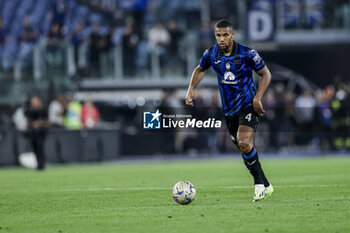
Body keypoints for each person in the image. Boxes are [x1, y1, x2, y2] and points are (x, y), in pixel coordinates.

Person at [185, 19, 273, 201]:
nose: (222, 38)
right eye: (218, 35)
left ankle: (258, 186)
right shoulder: (211, 53)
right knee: (244, 149)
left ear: (232, 35)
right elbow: (200, 69)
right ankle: (266, 184)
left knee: (245, 142)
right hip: (229, 111)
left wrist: (257, 98)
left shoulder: (247, 53)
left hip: (248, 104)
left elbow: (266, 74)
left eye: (225, 34)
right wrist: (191, 89)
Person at [25, 96, 49, 170]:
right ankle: (38, 163)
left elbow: (47, 121)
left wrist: (39, 123)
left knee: (40, 147)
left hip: (41, 132)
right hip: (33, 132)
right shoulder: (30, 111)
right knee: (35, 147)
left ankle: (42, 163)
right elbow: (29, 122)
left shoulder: (43, 110)